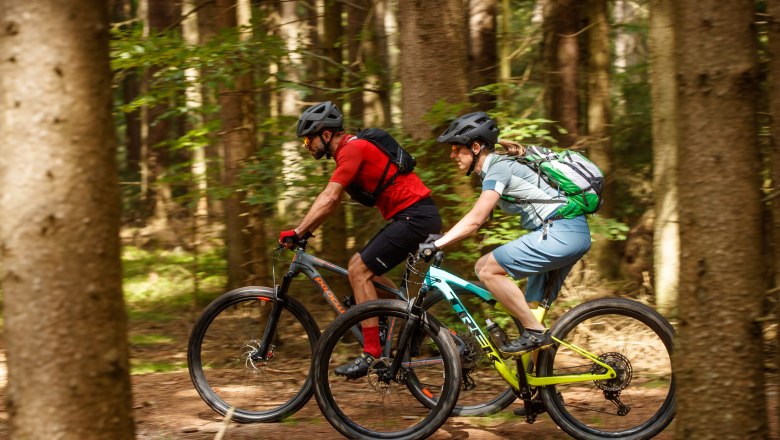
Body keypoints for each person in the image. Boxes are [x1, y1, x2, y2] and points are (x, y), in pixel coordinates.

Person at [279, 101, 442, 378]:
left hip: (415, 218)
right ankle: (391, 319)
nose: (306, 145)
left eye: (309, 138)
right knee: (364, 269)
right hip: (415, 217)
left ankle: (372, 354)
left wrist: (298, 231)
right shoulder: (352, 148)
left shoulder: (351, 149)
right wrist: (305, 230)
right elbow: (332, 203)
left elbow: (330, 198)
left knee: (358, 271)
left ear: (326, 134)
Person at [418, 111, 591, 356]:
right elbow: (477, 217)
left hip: (559, 233)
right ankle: (541, 389)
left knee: (486, 269)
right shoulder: (496, 169)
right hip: (567, 233)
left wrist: (438, 245)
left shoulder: (499, 168)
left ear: (475, 147)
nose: (452, 154)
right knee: (530, 315)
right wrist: (443, 237)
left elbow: (475, 221)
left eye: (457, 148)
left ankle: (533, 332)